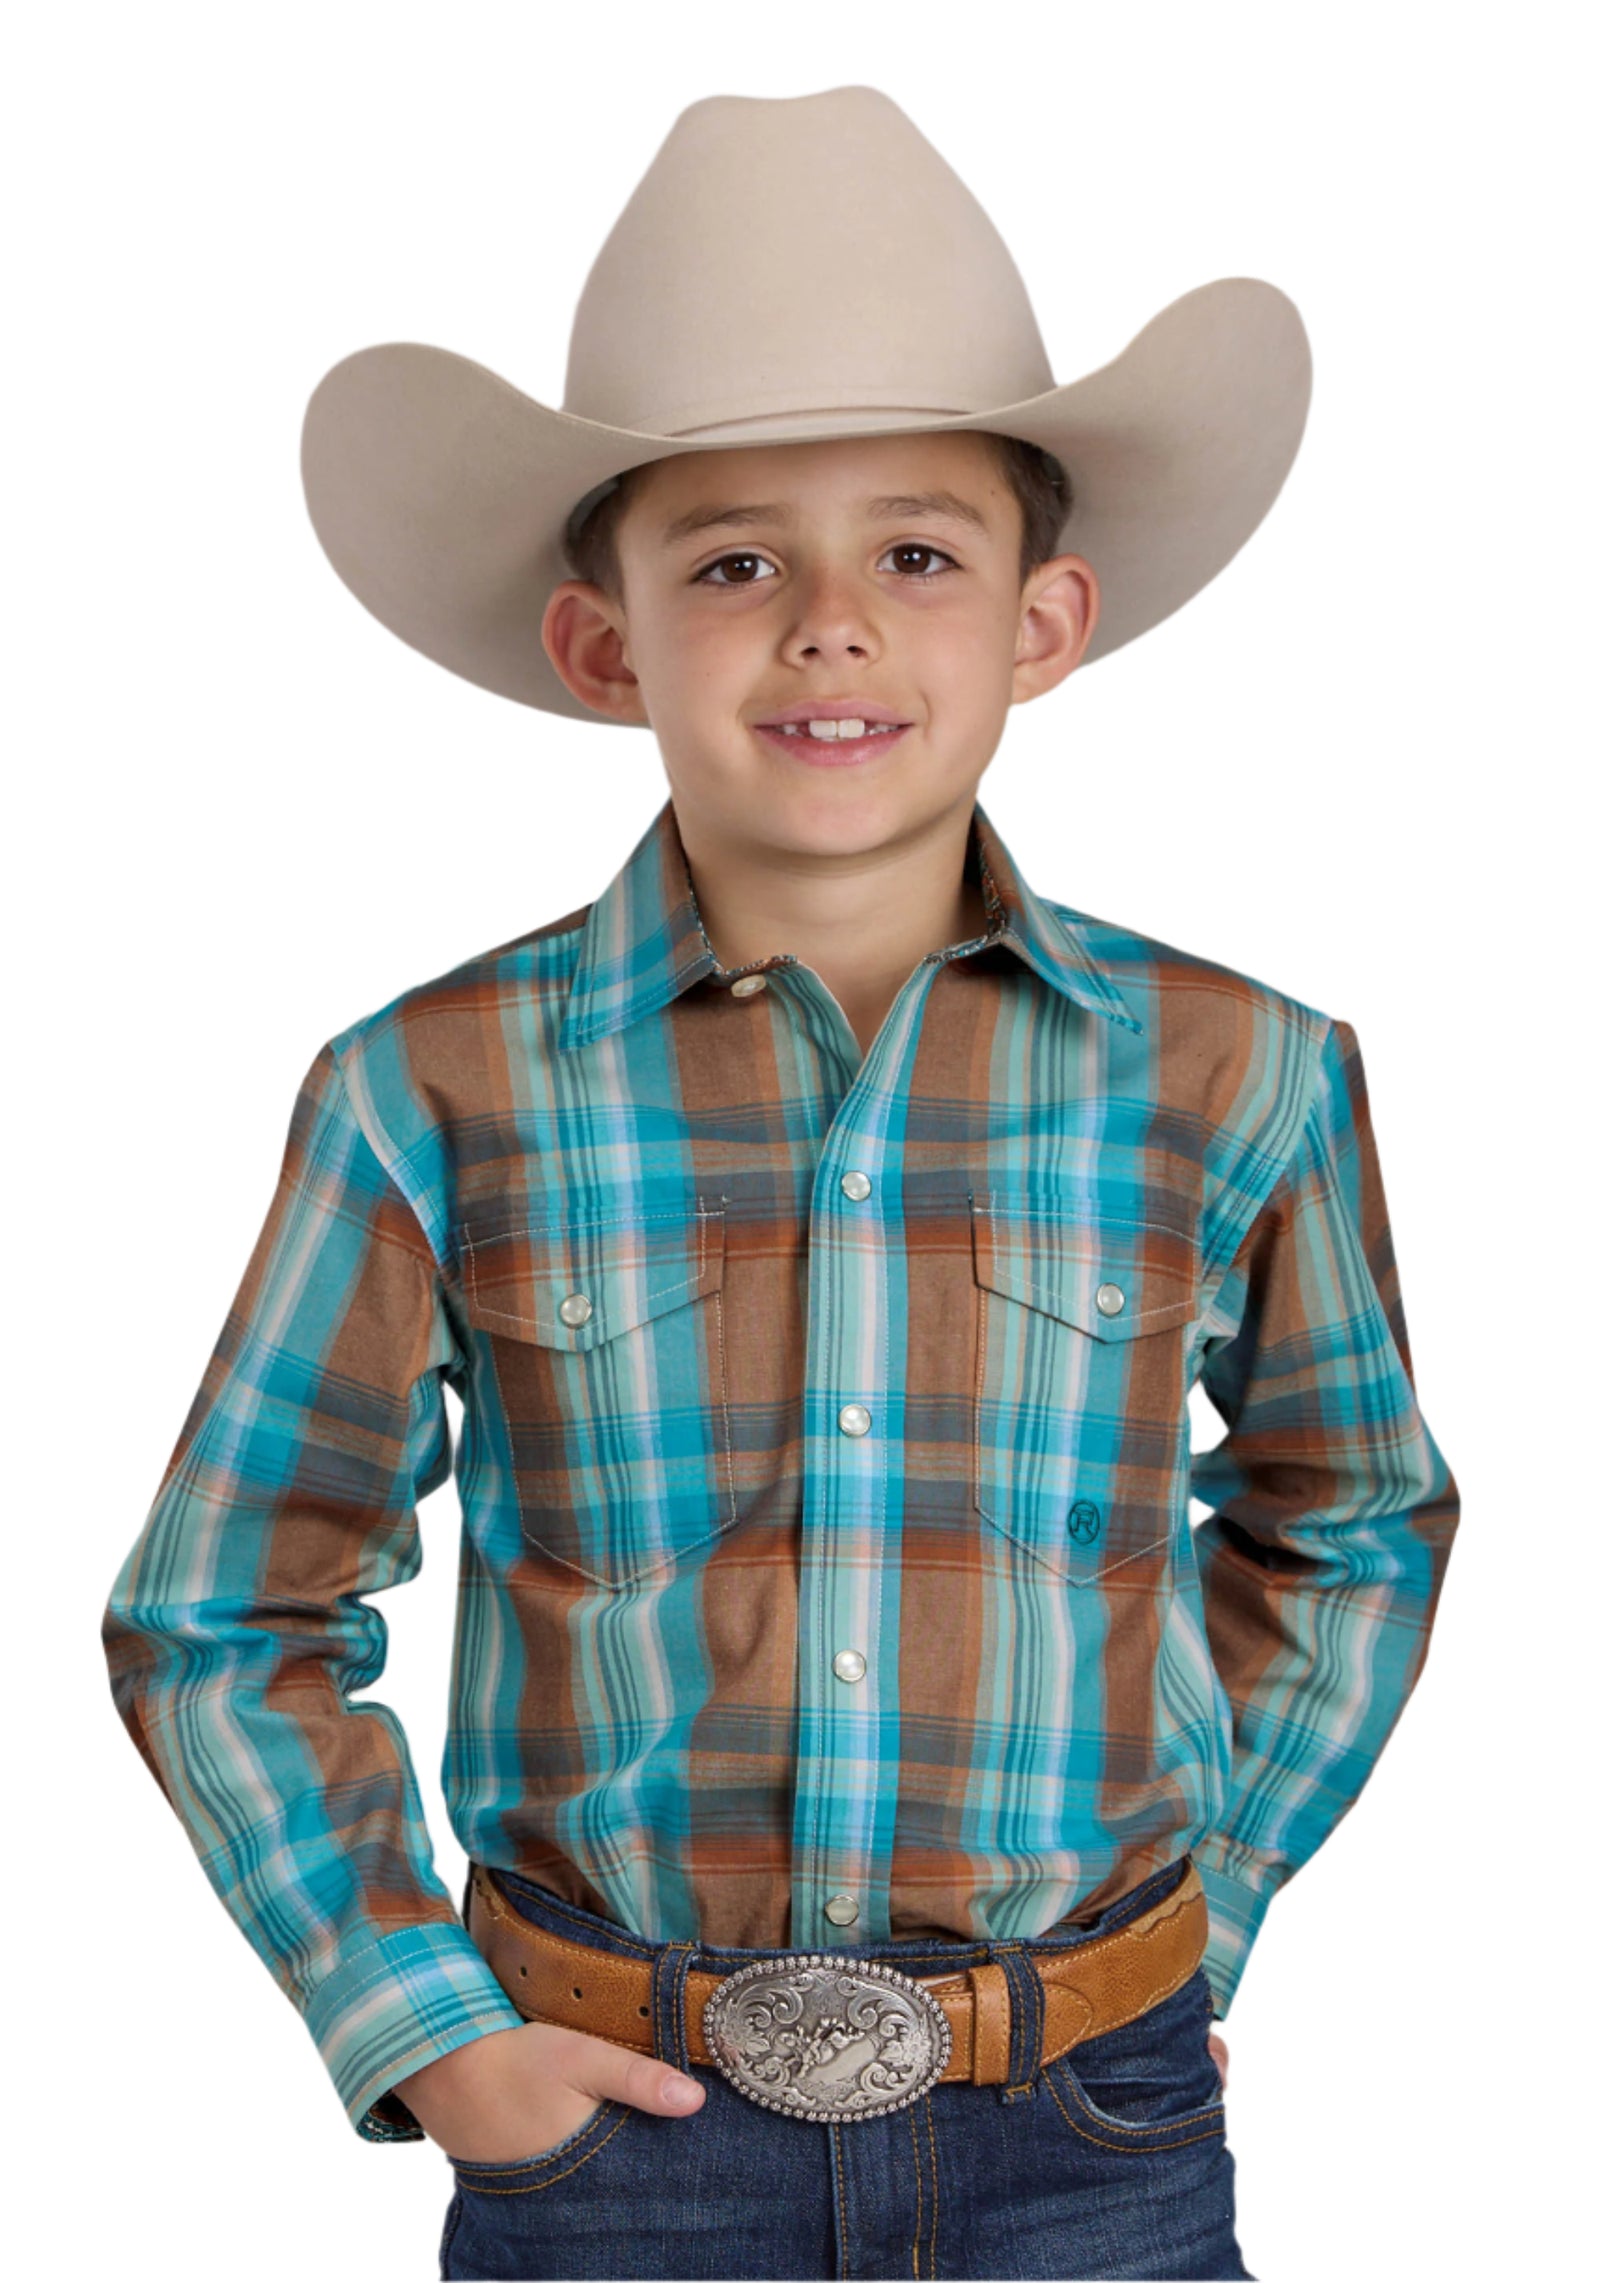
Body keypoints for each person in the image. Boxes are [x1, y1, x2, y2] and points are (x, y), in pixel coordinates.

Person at [101, 85, 1461, 2283]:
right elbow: (226, 1606)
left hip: (1093, 2144)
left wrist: (1204, 1899)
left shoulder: (1238, 1073)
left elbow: (1352, 1513)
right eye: (735, 561)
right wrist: (428, 2030)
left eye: (916, 554)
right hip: (617, 2152)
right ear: (606, 643)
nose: (829, 626)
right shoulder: (427, 1090)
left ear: (1041, 620)